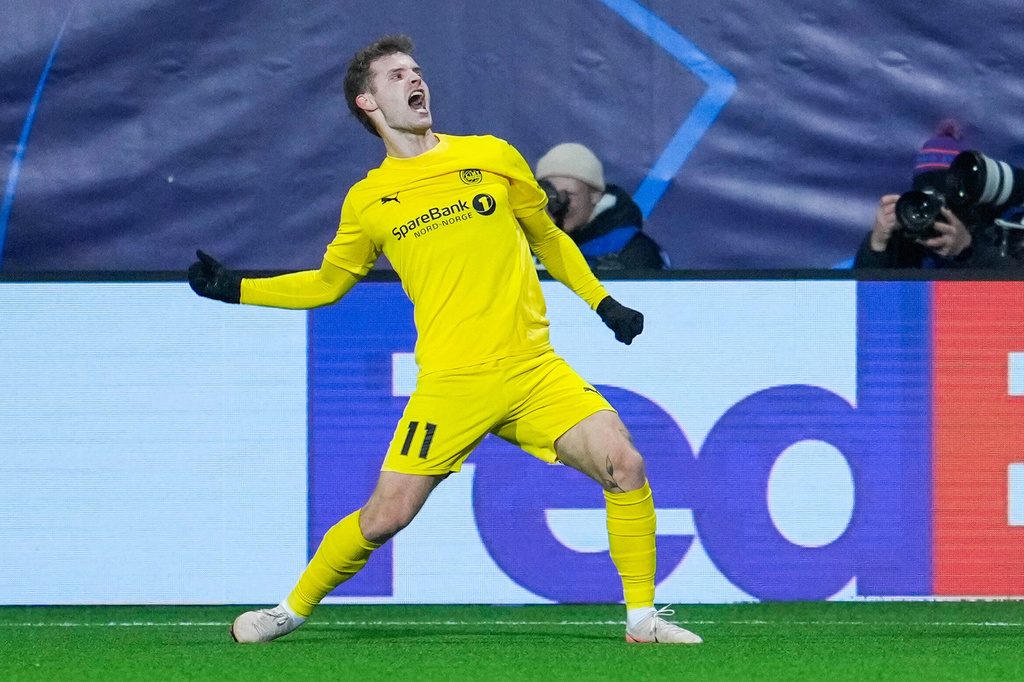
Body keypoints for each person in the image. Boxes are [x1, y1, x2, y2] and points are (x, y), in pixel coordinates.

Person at [188, 35, 700, 645]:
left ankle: (642, 620)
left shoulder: (491, 155)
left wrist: (603, 302)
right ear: (368, 102)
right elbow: (326, 285)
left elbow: (548, 237)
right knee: (385, 517)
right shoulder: (369, 200)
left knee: (625, 464)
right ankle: (288, 611)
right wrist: (237, 289)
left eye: (416, 70)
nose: (415, 79)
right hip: (452, 384)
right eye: (396, 75)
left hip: (534, 370)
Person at [853, 124, 1006, 269]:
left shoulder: (994, 234)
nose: (936, 210)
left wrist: (965, 250)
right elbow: (863, 286)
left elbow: (1010, 280)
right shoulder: (902, 235)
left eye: (947, 200)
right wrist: (877, 245)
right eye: (925, 197)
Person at [535, 143, 668, 269]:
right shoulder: (526, 243)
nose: (559, 204)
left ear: (595, 196)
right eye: (550, 195)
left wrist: (616, 277)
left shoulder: (633, 250)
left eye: (569, 194)